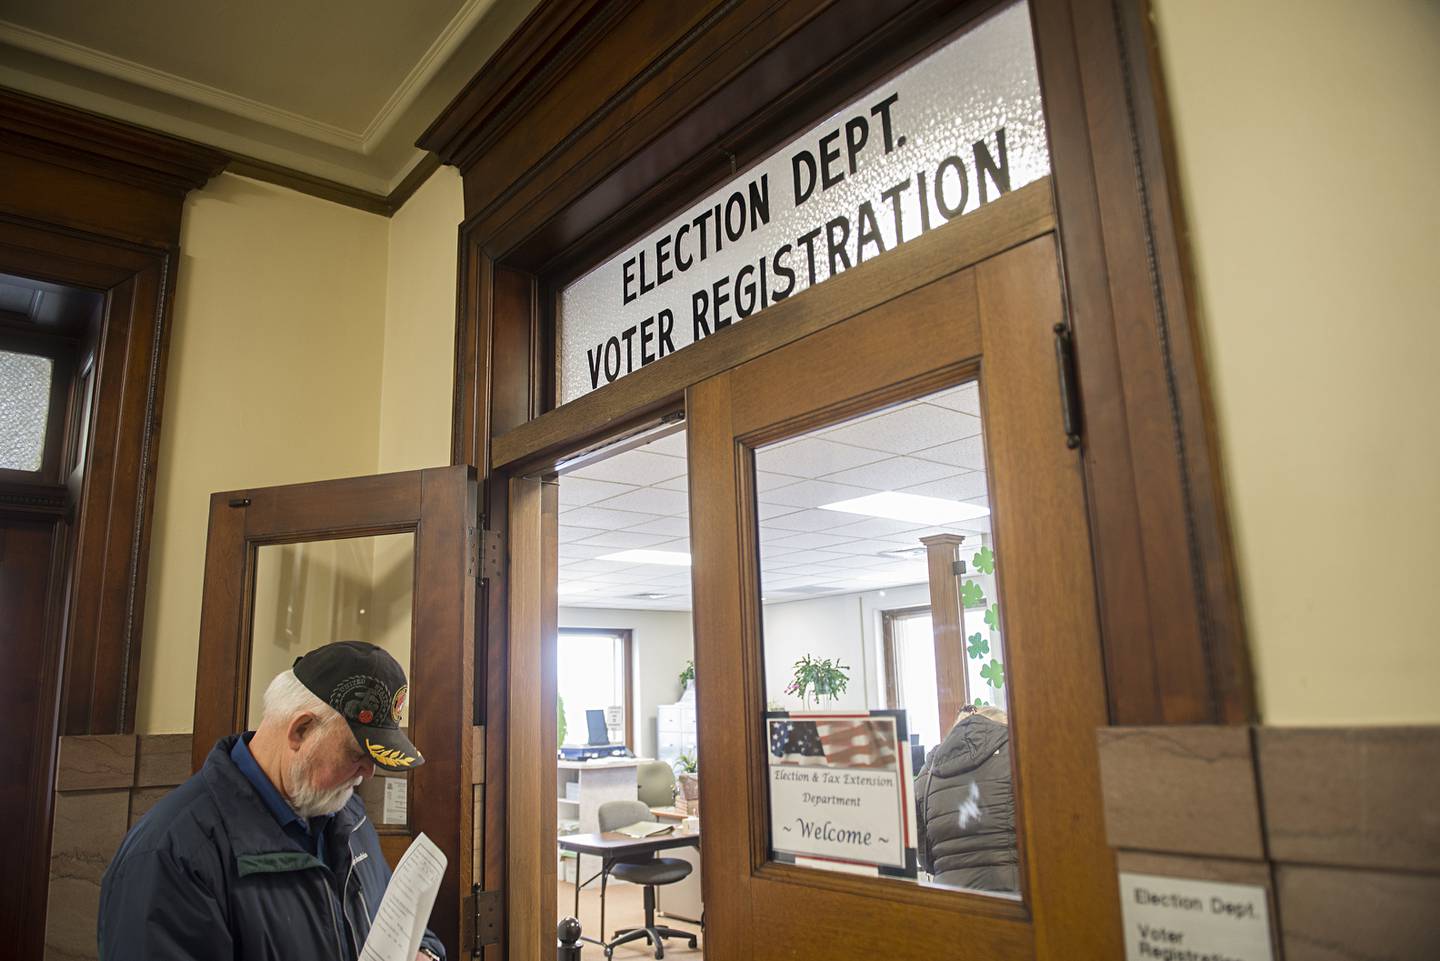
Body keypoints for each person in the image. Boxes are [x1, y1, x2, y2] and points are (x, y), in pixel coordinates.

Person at [98, 641, 445, 961]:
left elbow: (393, 921)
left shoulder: (346, 814)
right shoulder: (172, 854)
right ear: (301, 730)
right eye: (356, 754)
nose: (368, 773)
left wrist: (424, 952)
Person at [914, 704, 1017, 892]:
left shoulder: (926, 775)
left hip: (950, 900)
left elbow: (925, 857)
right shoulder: (1017, 753)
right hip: (1012, 894)